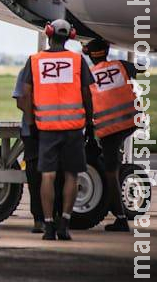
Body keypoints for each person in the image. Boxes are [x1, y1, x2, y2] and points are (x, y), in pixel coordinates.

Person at [19, 19, 93, 240]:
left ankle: (48, 224)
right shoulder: (78, 61)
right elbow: (87, 95)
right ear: (70, 35)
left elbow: (24, 96)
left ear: (48, 33)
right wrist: (89, 122)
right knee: (72, 175)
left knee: (48, 176)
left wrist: (31, 124)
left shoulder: (35, 61)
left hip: (47, 128)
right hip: (73, 128)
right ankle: (65, 223)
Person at [83, 38, 140, 232]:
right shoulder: (120, 65)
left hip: (109, 128)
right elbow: (139, 69)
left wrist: (90, 131)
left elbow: (88, 105)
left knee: (110, 173)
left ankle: (121, 218)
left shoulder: (89, 75)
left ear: (90, 56)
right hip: (130, 121)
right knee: (113, 163)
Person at [13, 68, 64, 233]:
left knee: (35, 177)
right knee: (55, 176)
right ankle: (54, 217)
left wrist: (32, 121)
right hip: (54, 129)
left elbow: (21, 101)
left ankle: (40, 220)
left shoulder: (29, 68)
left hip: (32, 130)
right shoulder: (61, 69)